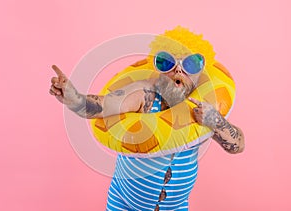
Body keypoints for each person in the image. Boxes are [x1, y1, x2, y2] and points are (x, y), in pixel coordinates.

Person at [49, 27, 244, 211]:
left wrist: (217, 122)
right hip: (124, 204)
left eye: (190, 64)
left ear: (200, 72)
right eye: (167, 62)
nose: (178, 71)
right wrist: (74, 99)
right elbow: (104, 105)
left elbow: (237, 145)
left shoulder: (203, 108)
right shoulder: (145, 96)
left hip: (175, 207)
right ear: (157, 68)